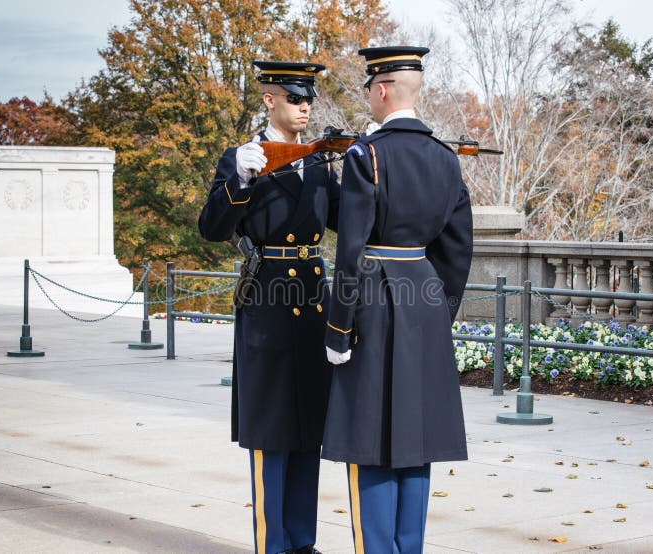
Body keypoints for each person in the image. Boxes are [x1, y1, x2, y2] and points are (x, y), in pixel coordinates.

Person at [323, 46, 474, 553]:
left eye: (369, 87)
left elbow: (349, 252)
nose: (369, 95)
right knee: (416, 443)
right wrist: (438, 314)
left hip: (371, 298)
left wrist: (338, 329)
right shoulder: (446, 158)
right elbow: (457, 251)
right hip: (425, 299)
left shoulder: (365, 156)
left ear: (382, 89)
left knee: (370, 442)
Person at [198, 60, 340, 554]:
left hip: (313, 304)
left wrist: (368, 169)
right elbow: (212, 229)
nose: (304, 107)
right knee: (271, 431)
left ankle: (303, 543)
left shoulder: (319, 161)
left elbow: (347, 216)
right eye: (295, 98)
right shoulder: (241, 158)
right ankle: (272, 546)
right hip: (268, 301)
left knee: (308, 431)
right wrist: (239, 182)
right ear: (269, 100)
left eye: (308, 100)